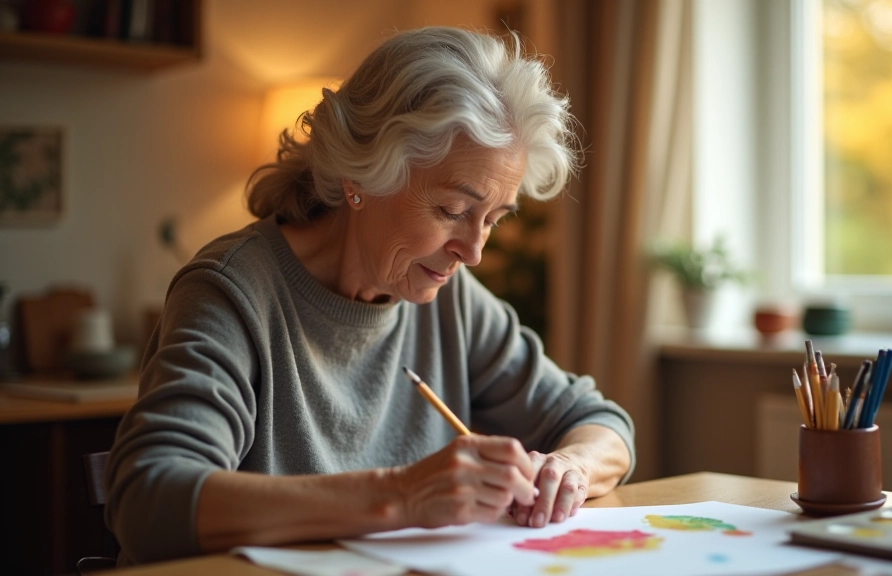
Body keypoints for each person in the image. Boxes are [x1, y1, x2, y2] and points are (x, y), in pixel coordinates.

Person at [105, 26, 635, 565]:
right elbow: (151, 499)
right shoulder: (232, 291)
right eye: (453, 211)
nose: (473, 251)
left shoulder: (451, 298)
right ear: (362, 175)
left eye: (493, 219)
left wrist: (570, 469)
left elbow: (601, 423)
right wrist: (402, 495)